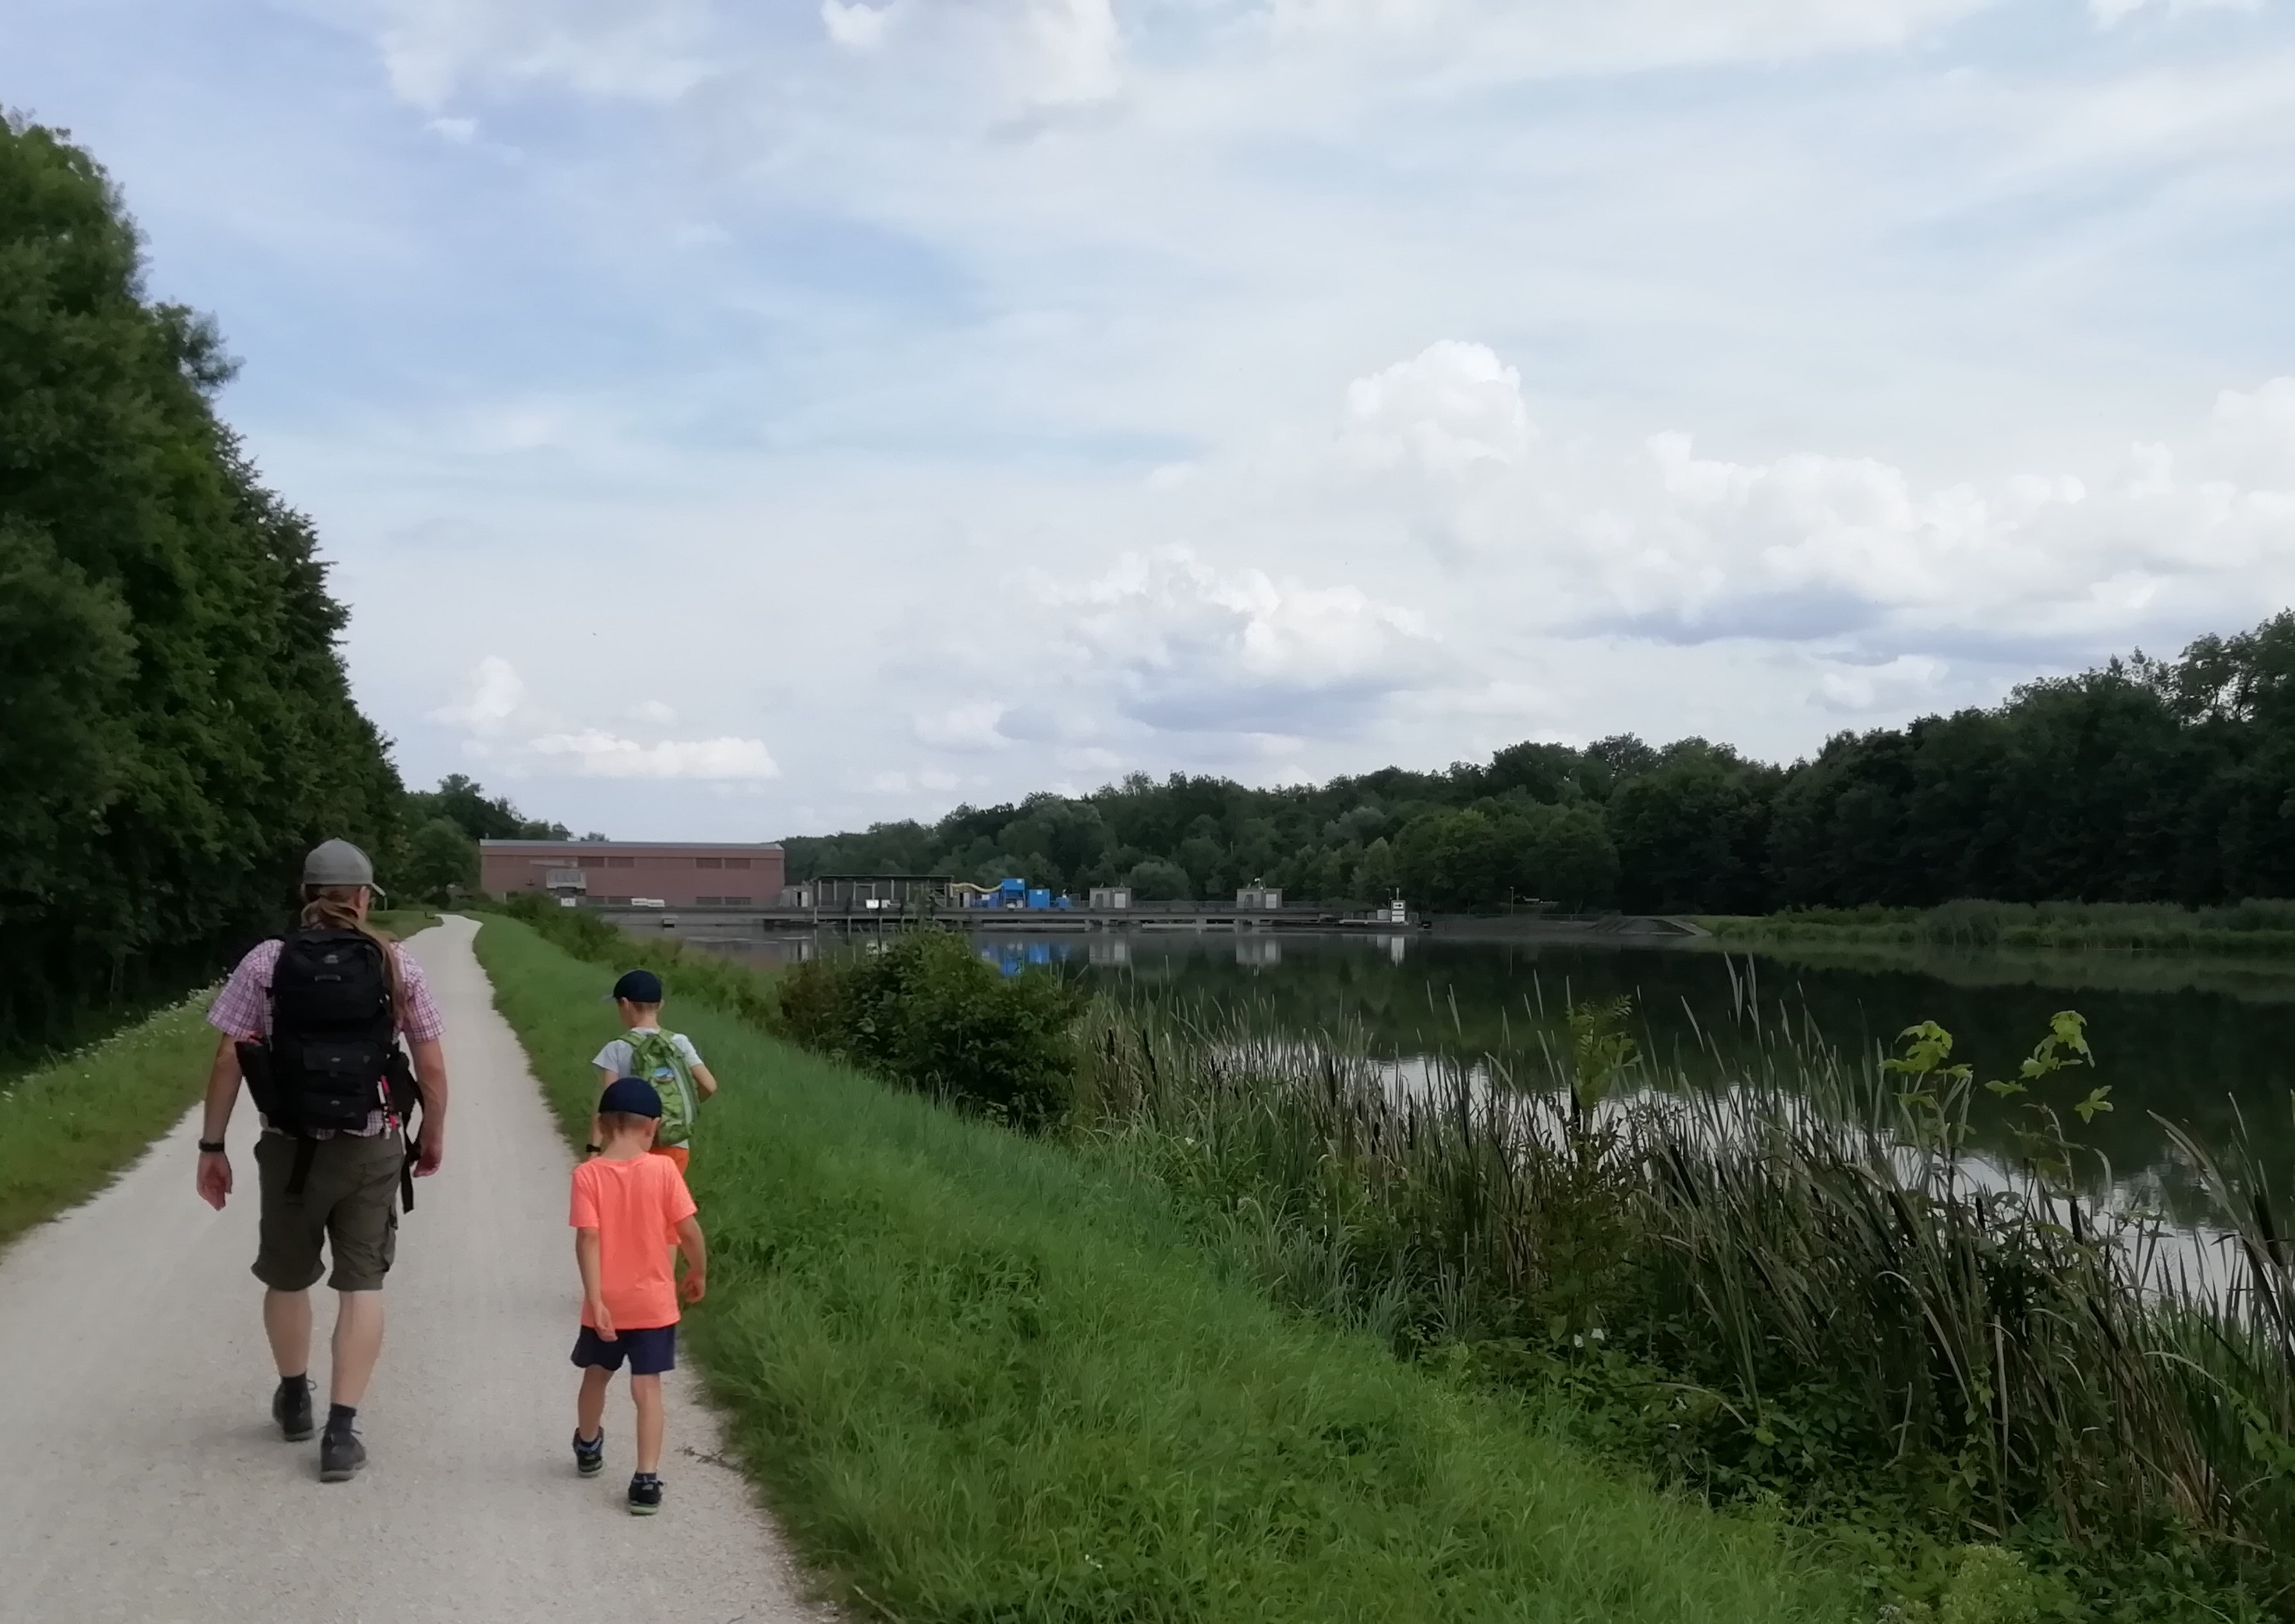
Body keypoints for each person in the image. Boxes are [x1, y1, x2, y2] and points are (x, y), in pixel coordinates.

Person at [195, 839, 449, 1483]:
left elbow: (228, 1058)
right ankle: (340, 1432)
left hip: (289, 1144)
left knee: (288, 1276)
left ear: (306, 895)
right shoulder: (396, 963)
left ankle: (293, 1399)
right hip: (371, 1144)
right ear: (363, 897)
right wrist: (432, 1133)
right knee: (361, 1283)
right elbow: (431, 1065)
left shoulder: (266, 960)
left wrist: (212, 1146)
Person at [570, 1075, 707, 1515]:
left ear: (602, 1125)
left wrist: (595, 1299)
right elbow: (688, 1231)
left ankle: (588, 1445)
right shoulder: (664, 1171)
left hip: (607, 1303)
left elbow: (588, 1239)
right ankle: (646, 1480)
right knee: (647, 1389)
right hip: (653, 1305)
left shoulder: (587, 1175)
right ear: (653, 1127)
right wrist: (698, 1271)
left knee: (596, 1375)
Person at [588, 969, 718, 1171]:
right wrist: (679, 1105)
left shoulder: (617, 1048)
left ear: (624, 1004)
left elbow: (606, 1106)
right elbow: (710, 1086)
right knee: (665, 1192)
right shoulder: (679, 1042)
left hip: (630, 1148)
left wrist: (594, 1150)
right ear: (661, 1005)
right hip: (675, 1146)